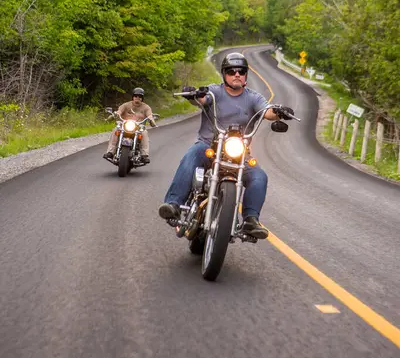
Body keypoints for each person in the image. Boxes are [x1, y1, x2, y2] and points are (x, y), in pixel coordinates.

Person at [158, 52, 293, 239]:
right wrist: (195, 95)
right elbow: (204, 99)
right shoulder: (215, 91)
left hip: (240, 154)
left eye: (241, 71)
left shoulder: (253, 98)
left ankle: (250, 220)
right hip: (209, 147)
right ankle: (173, 204)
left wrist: (278, 112)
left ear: (246, 75)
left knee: (259, 176)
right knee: (192, 155)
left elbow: (266, 111)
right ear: (224, 74)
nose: (236, 74)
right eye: (231, 71)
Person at [103, 88, 157, 163]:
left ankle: (144, 155)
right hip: (125, 125)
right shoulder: (126, 105)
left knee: (144, 132)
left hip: (138, 127)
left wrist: (151, 119)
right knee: (116, 129)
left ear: (142, 98)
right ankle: (110, 152)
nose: (137, 98)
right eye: (135, 96)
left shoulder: (146, 107)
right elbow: (119, 111)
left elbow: (150, 115)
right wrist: (116, 114)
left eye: (139, 96)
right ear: (133, 97)